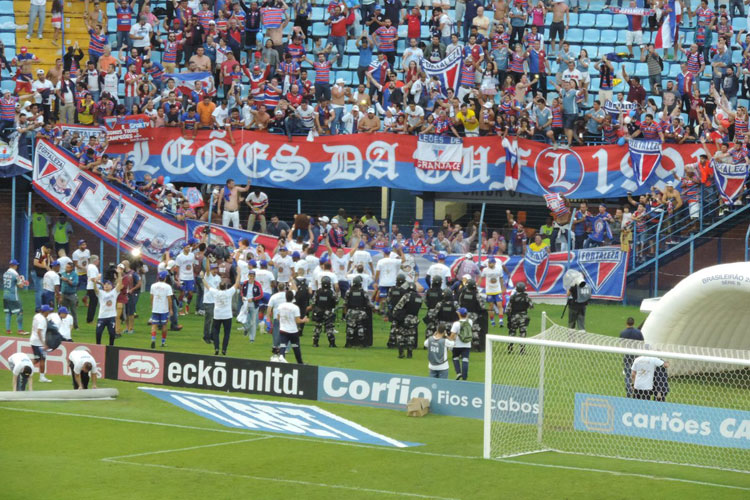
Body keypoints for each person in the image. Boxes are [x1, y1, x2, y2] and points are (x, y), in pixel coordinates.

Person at [203, 272, 241, 355]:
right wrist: (239, 274)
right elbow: (237, 283)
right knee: (226, 333)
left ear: (219, 287)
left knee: (216, 332)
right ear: (226, 287)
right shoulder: (229, 292)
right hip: (227, 315)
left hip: (217, 315)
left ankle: (216, 348)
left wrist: (202, 278)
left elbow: (207, 286)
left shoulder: (216, 292)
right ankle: (224, 349)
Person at [276, 290, 309, 364]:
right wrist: (304, 320)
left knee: (283, 345)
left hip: (283, 329)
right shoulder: (295, 308)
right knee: (296, 347)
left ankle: (281, 357)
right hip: (293, 331)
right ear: (293, 298)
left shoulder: (280, 306)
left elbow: (278, 317)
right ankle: (300, 363)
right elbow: (297, 321)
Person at [392, 283, 423, 359]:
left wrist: (395, 315)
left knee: (400, 334)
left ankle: (401, 353)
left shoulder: (406, 296)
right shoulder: (419, 297)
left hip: (404, 318)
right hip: (414, 319)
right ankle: (410, 353)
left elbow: (398, 306)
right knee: (411, 335)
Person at [342, 275, 374, 348]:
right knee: (360, 327)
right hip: (361, 312)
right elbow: (368, 303)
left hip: (351, 312)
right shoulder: (363, 292)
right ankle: (362, 343)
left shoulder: (348, 292)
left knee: (350, 327)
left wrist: (345, 314)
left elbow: (345, 304)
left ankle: (349, 343)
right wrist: (374, 308)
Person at [92, 270, 122, 346]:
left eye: (108, 284)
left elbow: (119, 283)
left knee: (112, 333)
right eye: (105, 284)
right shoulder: (101, 293)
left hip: (111, 316)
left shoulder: (114, 292)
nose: (106, 285)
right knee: (98, 332)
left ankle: (111, 346)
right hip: (102, 316)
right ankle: (98, 345)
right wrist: (95, 282)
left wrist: (119, 273)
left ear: (111, 286)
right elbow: (95, 289)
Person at [308, 275, 337, 347]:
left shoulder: (318, 292)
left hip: (319, 311)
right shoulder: (331, 292)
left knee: (317, 327)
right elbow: (336, 301)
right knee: (329, 328)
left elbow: (313, 302)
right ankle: (332, 344)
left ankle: (315, 343)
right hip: (328, 312)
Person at [619, 317, 644, 398]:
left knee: (627, 374)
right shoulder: (638, 333)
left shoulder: (623, 333)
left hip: (627, 355)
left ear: (626, 323)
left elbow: (621, 344)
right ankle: (636, 390)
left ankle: (628, 389)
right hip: (636, 355)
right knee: (636, 373)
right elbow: (642, 342)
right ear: (633, 323)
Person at [506, 282, 533, 354]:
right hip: (523, 317)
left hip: (514, 316)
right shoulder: (526, 297)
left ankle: (510, 348)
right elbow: (531, 306)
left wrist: (509, 317)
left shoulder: (512, 297)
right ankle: (522, 350)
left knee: (512, 332)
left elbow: (508, 309)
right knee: (522, 332)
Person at [149, 270, 174, 349]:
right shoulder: (167, 287)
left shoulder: (153, 285)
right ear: (165, 278)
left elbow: (151, 297)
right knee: (164, 325)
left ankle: (153, 340)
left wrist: (152, 305)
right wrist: (171, 309)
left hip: (155, 309)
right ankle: (163, 342)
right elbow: (169, 299)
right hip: (164, 309)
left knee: (154, 325)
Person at [3, 259, 28, 335]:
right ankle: (20, 330)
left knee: (8, 313)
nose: (17, 266)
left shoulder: (5, 273)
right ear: (13, 266)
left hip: (5, 296)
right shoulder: (15, 274)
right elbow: (20, 286)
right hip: (13, 296)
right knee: (20, 312)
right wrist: (24, 282)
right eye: (16, 265)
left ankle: (8, 330)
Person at [481, 257, 506, 328]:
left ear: (494, 263)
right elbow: (481, 277)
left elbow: (501, 278)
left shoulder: (499, 269)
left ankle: (501, 321)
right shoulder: (485, 270)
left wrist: (502, 287)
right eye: (488, 263)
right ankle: (492, 321)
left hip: (497, 290)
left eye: (490, 263)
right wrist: (477, 285)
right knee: (491, 306)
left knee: (499, 304)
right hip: (489, 291)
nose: (489, 264)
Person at [31, 304, 53, 383]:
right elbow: (39, 331)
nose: (49, 312)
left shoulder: (37, 316)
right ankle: (41, 377)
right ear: (45, 312)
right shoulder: (42, 320)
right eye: (49, 311)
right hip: (38, 343)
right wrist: (43, 343)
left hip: (34, 341)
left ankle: (24, 367)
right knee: (41, 359)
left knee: (37, 359)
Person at [385, 274, 407, 348]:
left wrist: (390, 309)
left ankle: (391, 342)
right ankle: (400, 342)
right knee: (401, 327)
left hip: (392, 310)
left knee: (393, 326)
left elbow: (388, 300)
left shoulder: (391, 289)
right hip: (401, 311)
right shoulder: (404, 291)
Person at [450, 307, 472, 380]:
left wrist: (449, 339)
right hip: (467, 344)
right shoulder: (470, 322)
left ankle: (458, 373)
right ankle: (465, 376)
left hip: (457, 344)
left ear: (459, 314)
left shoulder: (456, 324)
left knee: (455, 357)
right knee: (465, 359)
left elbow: (452, 335)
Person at [58, 261, 79, 330]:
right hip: (64, 294)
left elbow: (75, 283)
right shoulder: (63, 274)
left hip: (72, 294)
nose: (66, 268)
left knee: (73, 311)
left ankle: (75, 326)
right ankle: (62, 324)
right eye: (66, 267)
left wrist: (67, 280)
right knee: (63, 310)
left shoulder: (75, 275)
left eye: (68, 267)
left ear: (72, 268)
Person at [86, 255, 101, 324]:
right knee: (93, 304)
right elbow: (93, 279)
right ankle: (90, 319)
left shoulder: (90, 266)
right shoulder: (92, 267)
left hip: (91, 287)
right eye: (98, 260)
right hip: (92, 287)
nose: (99, 261)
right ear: (95, 260)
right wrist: (101, 283)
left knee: (93, 303)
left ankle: (89, 319)